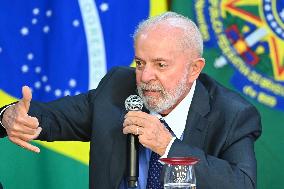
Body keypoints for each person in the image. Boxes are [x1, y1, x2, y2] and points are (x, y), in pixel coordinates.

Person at [0, 12, 261, 189]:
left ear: (194, 69)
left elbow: (242, 182)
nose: (145, 77)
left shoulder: (232, 114)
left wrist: (167, 146)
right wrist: (8, 115)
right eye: (140, 63)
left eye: (160, 65)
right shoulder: (118, 87)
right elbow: (50, 117)